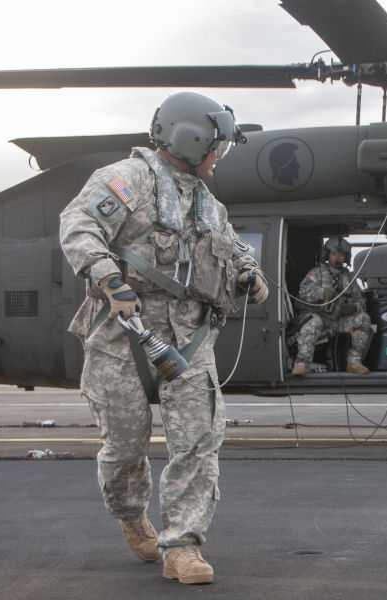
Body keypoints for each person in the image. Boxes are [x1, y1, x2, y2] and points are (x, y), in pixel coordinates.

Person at [60, 91, 268, 585]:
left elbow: (233, 246)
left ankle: (184, 547)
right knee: (124, 449)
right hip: (122, 336)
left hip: (190, 339)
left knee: (198, 443)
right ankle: (132, 515)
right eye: (217, 146)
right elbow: (79, 224)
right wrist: (109, 278)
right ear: (191, 140)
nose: (220, 155)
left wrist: (247, 272)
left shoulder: (208, 204)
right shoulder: (127, 179)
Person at [292, 236, 372, 375]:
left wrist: (353, 308)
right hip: (321, 318)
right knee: (311, 323)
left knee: (364, 318)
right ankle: (301, 363)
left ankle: (354, 362)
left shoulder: (349, 278)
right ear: (327, 255)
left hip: (339, 320)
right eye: (334, 254)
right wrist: (321, 293)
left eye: (341, 255)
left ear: (346, 257)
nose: (338, 258)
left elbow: (361, 302)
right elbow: (301, 298)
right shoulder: (316, 274)